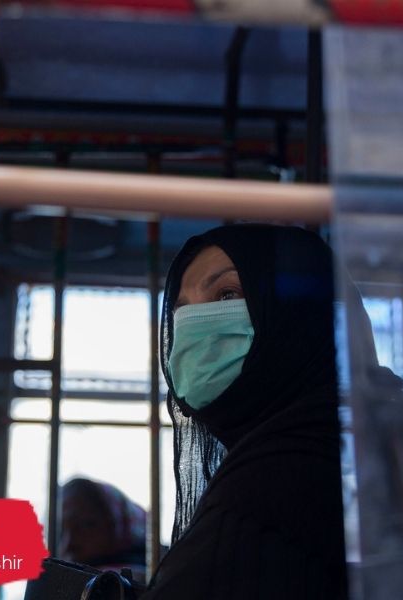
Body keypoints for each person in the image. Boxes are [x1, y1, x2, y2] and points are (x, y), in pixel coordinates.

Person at [142, 224, 349, 599]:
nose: (191, 329)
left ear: (297, 315)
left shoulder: (282, 476)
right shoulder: (347, 445)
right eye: (182, 309)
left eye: (225, 295)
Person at [58, 477, 148, 582]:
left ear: (117, 524)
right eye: (61, 531)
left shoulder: (136, 580)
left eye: (86, 525)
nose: (69, 543)